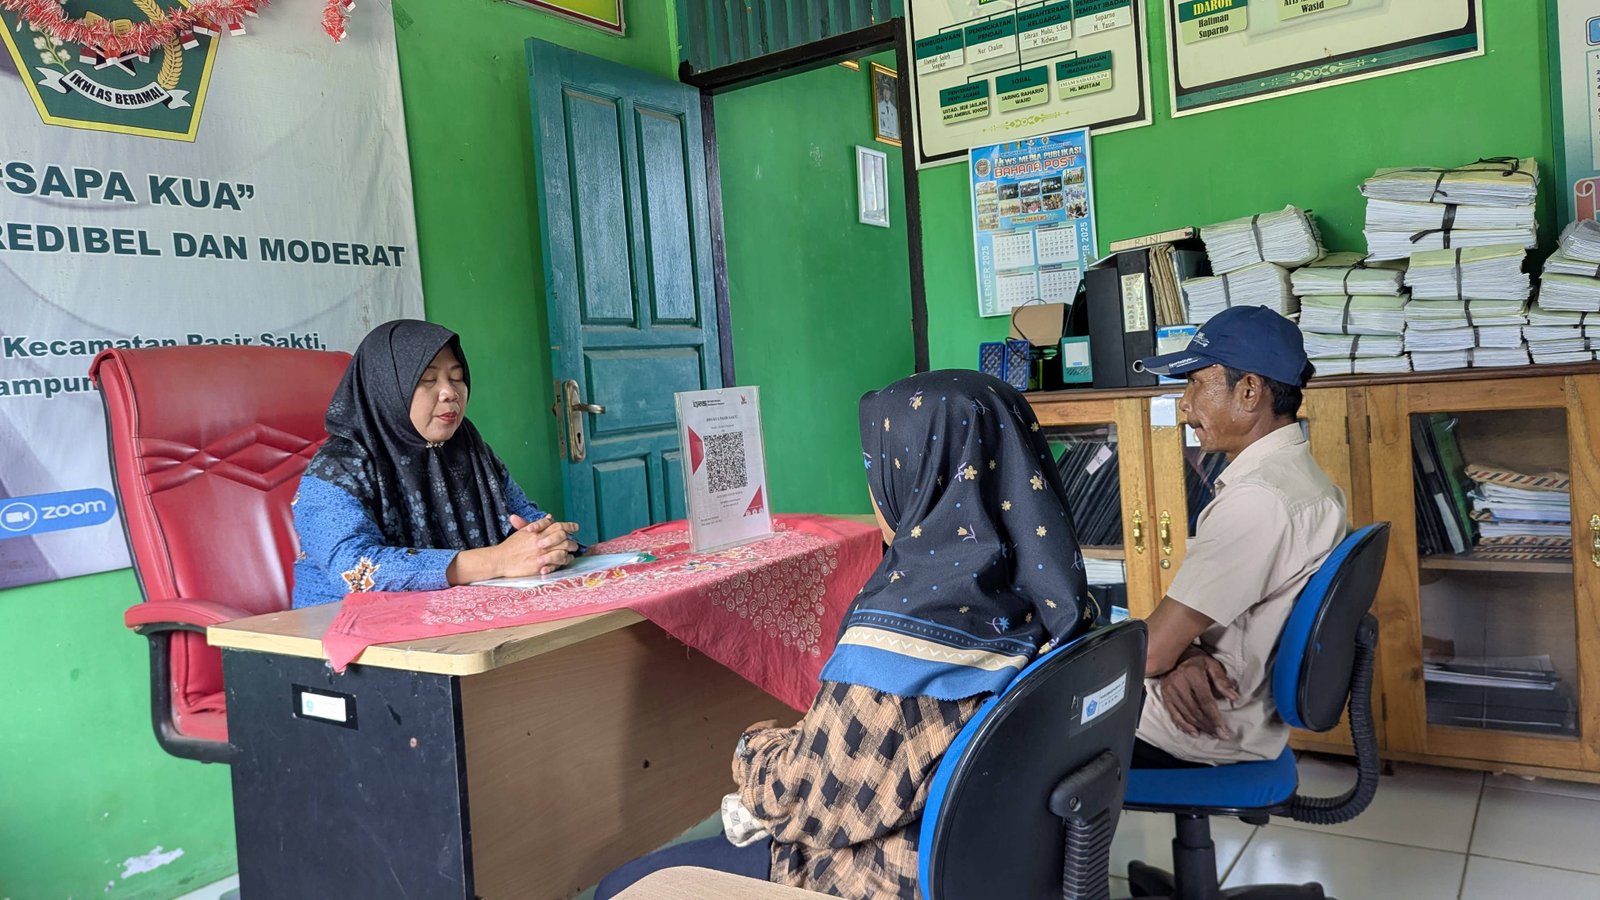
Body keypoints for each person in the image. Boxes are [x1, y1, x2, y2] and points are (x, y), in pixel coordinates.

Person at [594, 370, 1094, 899]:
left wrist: (753, 747)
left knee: (623, 886)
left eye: (876, 466)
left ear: (919, 476)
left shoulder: (906, 644)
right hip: (1000, 866)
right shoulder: (1056, 596)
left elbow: (809, 800)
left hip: (876, 874)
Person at [1130, 306, 1348, 768]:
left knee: (1005, 713)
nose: (1185, 403)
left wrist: (1169, 653)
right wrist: (1183, 651)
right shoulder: (1304, 481)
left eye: (1194, 382)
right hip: (1239, 711)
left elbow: (1149, 656)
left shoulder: (1259, 500)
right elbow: (1174, 642)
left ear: (1249, 391)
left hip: (1192, 726)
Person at [291, 319, 580, 607]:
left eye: (456, 377)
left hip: (453, 617)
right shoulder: (337, 468)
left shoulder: (469, 449)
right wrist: (497, 560)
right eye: (428, 380)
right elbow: (355, 569)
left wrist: (548, 544)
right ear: (387, 388)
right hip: (342, 634)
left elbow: (526, 517)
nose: (450, 393)